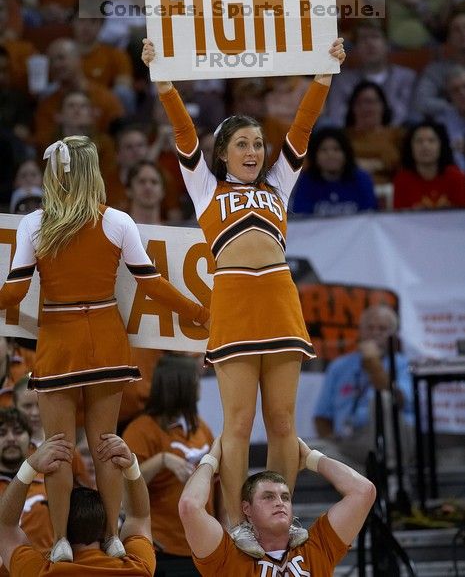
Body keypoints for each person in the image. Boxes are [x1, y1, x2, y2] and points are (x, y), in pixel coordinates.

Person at [141, 36, 345, 557]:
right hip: (233, 306)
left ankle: (279, 517)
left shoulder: (280, 182)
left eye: (257, 143)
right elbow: (183, 131)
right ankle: (238, 523)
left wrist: (324, 74)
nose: (253, 152)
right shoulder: (205, 187)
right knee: (236, 423)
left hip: (280, 300)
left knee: (282, 422)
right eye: (242, 145)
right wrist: (163, 81)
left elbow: (303, 126)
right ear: (223, 153)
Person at [0, 135, 209, 562]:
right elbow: (150, 283)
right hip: (106, 341)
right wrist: (198, 312)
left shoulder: (34, 225)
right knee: (108, 445)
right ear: (93, 171)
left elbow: (16, 291)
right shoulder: (118, 221)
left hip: (58, 340)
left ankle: (60, 539)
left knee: (56, 445)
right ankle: (112, 535)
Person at [178, 436, 376, 573]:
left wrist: (311, 458)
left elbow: (363, 491)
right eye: (268, 497)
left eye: (285, 497)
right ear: (247, 509)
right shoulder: (228, 557)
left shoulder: (316, 547)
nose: (280, 503)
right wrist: (211, 461)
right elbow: (190, 506)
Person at [0, 432, 156, 575]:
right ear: (106, 530)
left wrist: (30, 465)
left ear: (59, 529)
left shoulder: (41, 572)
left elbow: (5, 526)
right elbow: (139, 517)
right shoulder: (137, 568)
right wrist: (131, 467)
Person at [123, 353, 218, 576]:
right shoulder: (141, 430)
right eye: (195, 378)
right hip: (163, 549)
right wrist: (162, 460)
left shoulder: (200, 428)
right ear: (179, 384)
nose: (200, 385)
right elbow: (123, 489)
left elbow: (218, 485)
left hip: (203, 547)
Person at [313, 304, 414, 474]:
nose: (375, 333)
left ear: (393, 336)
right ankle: (360, 477)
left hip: (393, 440)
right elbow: (321, 416)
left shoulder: (403, 364)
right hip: (350, 442)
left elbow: (398, 400)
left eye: (382, 329)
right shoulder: (339, 366)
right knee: (306, 451)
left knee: (382, 399)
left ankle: (388, 477)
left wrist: (373, 362)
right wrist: (332, 437)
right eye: (370, 328)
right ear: (360, 332)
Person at [0, 407, 53, 554]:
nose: (11, 438)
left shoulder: (50, 477)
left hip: (47, 570)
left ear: (31, 440)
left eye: (17, 431)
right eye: (2, 433)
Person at [290, 127, 377, 216]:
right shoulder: (305, 181)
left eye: (336, 149)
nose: (330, 155)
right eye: (324, 150)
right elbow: (301, 217)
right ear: (314, 156)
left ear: (346, 154)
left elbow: (369, 216)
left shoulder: (361, 179)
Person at [393, 120, 465, 208]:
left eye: (431, 141)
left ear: (441, 146)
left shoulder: (456, 177)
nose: (425, 146)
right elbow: (398, 219)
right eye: (419, 141)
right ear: (410, 147)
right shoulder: (402, 180)